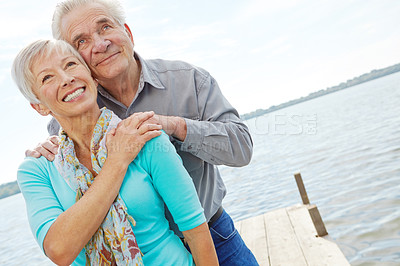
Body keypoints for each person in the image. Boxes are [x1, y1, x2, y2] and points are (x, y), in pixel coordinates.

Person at [28, 0, 257, 264]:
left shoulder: (188, 80)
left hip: (215, 236)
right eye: (81, 41)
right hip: (146, 255)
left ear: (128, 32)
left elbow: (242, 149)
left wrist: (174, 126)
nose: (100, 44)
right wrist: (44, 153)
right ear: (76, 60)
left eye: (105, 27)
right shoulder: (69, 116)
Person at [12, 39, 219, 266]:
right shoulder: (36, 170)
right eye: (47, 77)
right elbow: (60, 250)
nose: (66, 78)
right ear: (39, 106)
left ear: (92, 76)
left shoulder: (145, 137)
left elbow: (196, 233)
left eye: (71, 64)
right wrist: (117, 162)